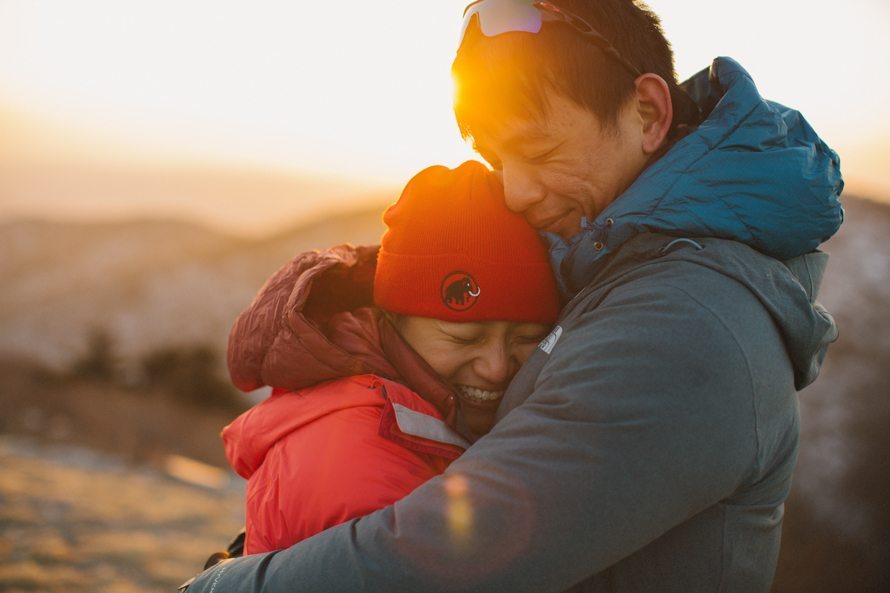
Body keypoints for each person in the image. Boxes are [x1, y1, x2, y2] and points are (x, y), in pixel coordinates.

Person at [181, 1, 844, 591]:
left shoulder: (686, 324)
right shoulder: (620, 260)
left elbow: (447, 554)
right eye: (502, 160)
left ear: (647, 111)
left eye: (539, 150)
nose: (518, 193)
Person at [220, 160, 559, 555]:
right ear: (392, 318)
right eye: (464, 338)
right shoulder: (359, 467)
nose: (497, 367)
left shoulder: (416, 419)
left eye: (527, 337)